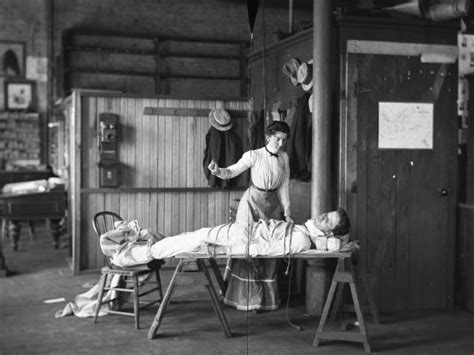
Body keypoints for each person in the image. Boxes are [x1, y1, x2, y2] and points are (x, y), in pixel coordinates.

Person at [208, 120, 293, 311]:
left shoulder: (284, 158)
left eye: (284, 141)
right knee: (246, 247)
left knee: (269, 249)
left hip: (271, 205)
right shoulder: (254, 155)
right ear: (268, 137)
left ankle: (265, 301)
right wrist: (217, 171)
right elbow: (232, 171)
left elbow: (284, 187)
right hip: (251, 203)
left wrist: (287, 213)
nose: (280, 144)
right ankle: (245, 299)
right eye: (277, 139)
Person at [102, 208, 351, 268]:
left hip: (240, 239)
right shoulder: (303, 229)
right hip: (242, 231)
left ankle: (129, 256)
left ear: (328, 232)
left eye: (328, 221)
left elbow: (265, 250)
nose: (322, 216)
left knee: (192, 241)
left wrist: (236, 246)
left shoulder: (302, 240)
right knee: (193, 236)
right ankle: (142, 249)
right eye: (326, 214)